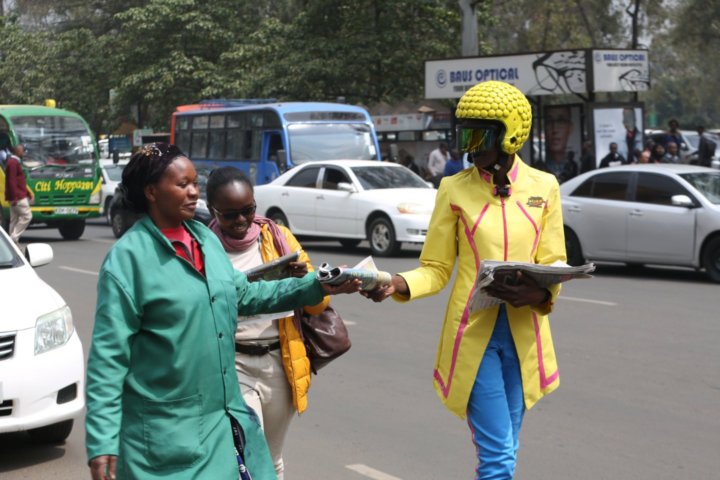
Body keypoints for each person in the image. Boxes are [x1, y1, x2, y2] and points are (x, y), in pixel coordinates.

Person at [85, 143, 361, 480]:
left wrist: (316, 285)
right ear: (151, 192)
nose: (192, 192)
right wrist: (101, 441)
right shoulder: (128, 260)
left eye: (194, 184)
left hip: (222, 420)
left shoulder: (204, 239)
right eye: (181, 184)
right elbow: (107, 361)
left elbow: (244, 294)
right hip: (163, 433)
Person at [364, 81, 566, 479]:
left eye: (479, 136)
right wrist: (397, 283)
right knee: (498, 459)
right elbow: (437, 268)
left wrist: (541, 291)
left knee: (508, 447)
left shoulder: (545, 188)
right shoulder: (453, 189)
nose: (470, 148)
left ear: (509, 135)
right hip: (474, 337)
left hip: (526, 336)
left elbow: (554, 259)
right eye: (464, 135)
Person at [205, 166, 329, 479]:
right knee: (248, 453)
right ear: (212, 211)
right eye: (230, 214)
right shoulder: (205, 248)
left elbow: (318, 307)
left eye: (248, 210)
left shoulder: (278, 237)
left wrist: (304, 284)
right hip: (233, 364)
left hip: (280, 361)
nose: (241, 221)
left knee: (272, 460)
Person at [537, 105, 578, 183]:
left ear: (570, 128)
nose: (554, 129)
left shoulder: (571, 166)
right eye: (549, 121)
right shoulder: (540, 167)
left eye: (561, 121)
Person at [3, 144, 33, 244]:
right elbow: (11, 181)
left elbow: (20, 181)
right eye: (22, 151)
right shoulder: (13, 163)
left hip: (16, 196)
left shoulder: (14, 162)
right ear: (17, 151)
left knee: (14, 220)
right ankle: (13, 238)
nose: (23, 153)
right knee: (27, 216)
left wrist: (28, 193)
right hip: (18, 197)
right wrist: (15, 197)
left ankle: (12, 246)